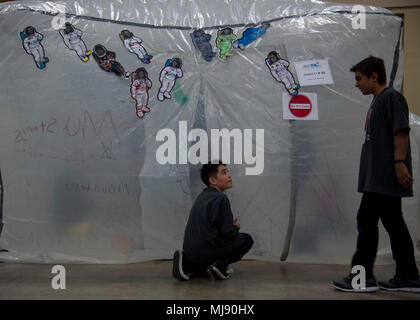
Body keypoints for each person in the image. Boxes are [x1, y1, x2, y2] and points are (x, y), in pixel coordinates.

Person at [333, 56, 420, 293]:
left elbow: (400, 132)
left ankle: (362, 278)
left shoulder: (391, 98)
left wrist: (399, 163)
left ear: (374, 77)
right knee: (393, 223)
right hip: (378, 177)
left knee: (367, 220)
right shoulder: (378, 101)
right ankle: (408, 276)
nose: (356, 84)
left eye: (359, 79)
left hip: (384, 177)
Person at [172, 161, 254, 281]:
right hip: (207, 250)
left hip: (190, 250)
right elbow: (228, 233)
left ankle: (188, 265)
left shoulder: (201, 197)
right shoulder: (221, 198)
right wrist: (236, 227)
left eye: (228, 172)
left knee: (210, 244)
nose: (229, 175)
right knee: (246, 240)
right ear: (213, 180)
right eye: (224, 173)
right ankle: (220, 266)